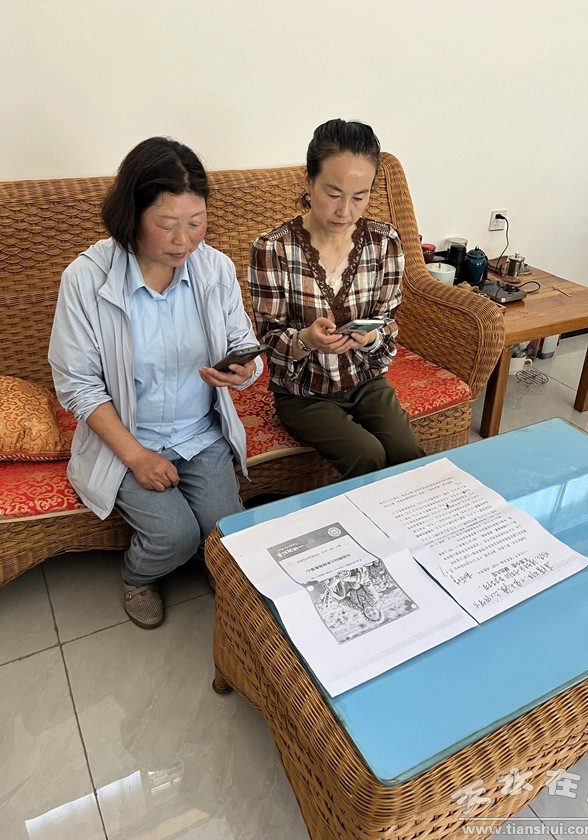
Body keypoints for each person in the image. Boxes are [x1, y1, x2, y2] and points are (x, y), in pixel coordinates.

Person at [49, 137, 262, 629]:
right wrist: (137, 457)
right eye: (167, 225)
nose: (184, 241)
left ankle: (210, 555)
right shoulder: (86, 279)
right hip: (128, 438)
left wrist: (243, 371)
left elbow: (243, 343)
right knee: (174, 536)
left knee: (227, 531)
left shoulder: (215, 268)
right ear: (131, 215)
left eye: (196, 222)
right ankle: (138, 576)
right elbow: (78, 385)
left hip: (199, 432)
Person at [248, 118, 425, 480]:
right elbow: (268, 341)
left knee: (409, 456)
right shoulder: (273, 248)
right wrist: (305, 340)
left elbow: (387, 324)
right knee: (367, 456)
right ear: (309, 181)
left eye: (359, 197)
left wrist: (371, 337)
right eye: (333, 193)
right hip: (302, 393)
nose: (345, 211)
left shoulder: (385, 242)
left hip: (366, 382)